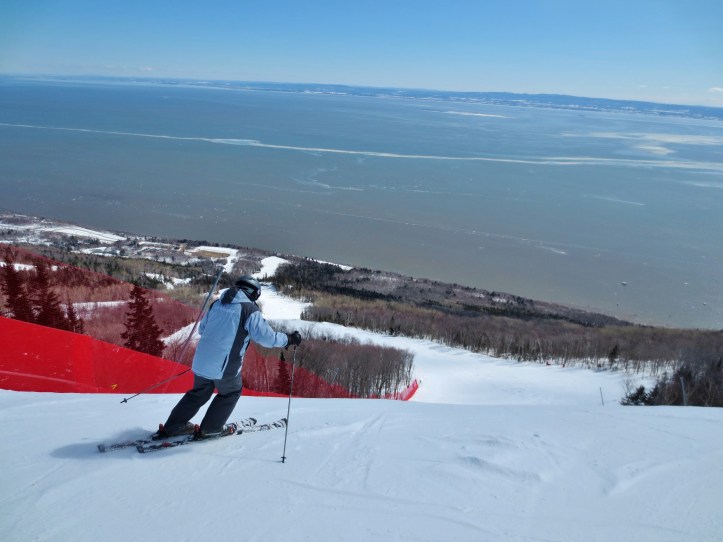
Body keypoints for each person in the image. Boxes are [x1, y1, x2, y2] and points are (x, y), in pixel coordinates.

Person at [154, 275, 302, 440]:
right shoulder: (249, 310)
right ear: (253, 293)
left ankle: (173, 426)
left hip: (201, 361)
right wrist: (288, 339)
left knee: (199, 393)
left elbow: (202, 329)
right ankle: (210, 429)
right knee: (231, 392)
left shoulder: (217, 304)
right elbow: (266, 338)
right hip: (225, 366)